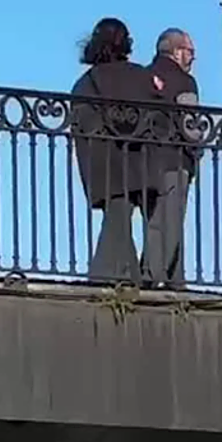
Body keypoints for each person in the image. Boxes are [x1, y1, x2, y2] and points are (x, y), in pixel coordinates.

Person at [70, 17, 163, 284]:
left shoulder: (85, 84)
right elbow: (157, 117)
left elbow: (81, 125)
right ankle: (111, 277)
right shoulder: (141, 77)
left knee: (117, 216)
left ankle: (111, 277)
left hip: (103, 162)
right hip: (136, 158)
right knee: (121, 217)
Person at [144, 27, 203, 288]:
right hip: (175, 158)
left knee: (154, 219)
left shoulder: (143, 76)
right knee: (170, 219)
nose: (192, 58)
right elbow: (190, 124)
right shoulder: (184, 82)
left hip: (144, 159)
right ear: (177, 52)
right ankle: (154, 275)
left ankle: (174, 278)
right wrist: (197, 147)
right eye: (190, 52)